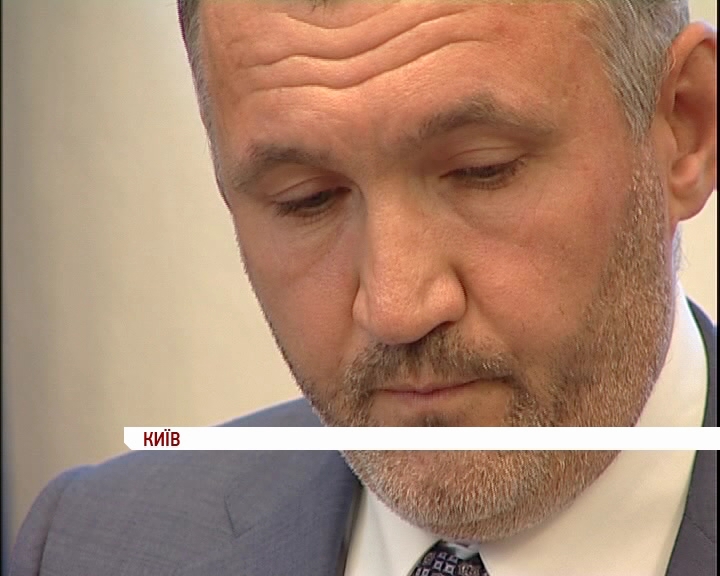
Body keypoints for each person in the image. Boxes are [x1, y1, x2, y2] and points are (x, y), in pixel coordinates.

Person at [10, 1, 716, 575]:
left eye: (482, 169)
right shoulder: (87, 547)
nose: (395, 307)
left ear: (686, 126)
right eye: (306, 199)